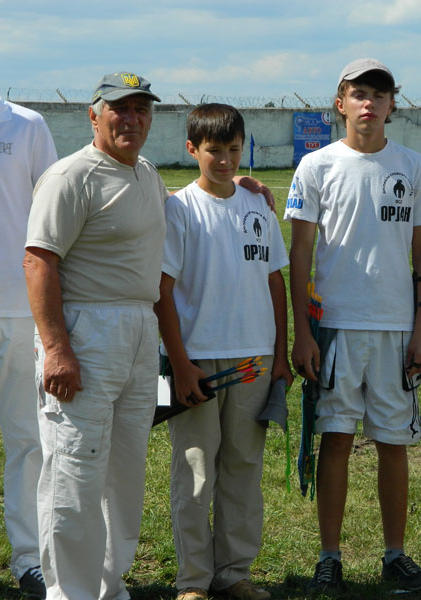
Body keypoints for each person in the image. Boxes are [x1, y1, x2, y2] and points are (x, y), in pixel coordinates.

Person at [284, 58, 421, 594]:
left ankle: (395, 553)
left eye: (379, 93)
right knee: (337, 438)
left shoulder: (415, 166)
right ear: (340, 102)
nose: (368, 102)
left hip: (397, 328)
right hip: (337, 327)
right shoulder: (316, 166)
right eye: (357, 93)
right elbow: (299, 255)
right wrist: (303, 332)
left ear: (393, 104)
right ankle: (330, 556)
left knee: (395, 443)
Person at [23, 72, 167, 600]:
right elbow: (38, 261)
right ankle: (71, 592)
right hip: (86, 330)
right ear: (94, 114)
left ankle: (110, 585)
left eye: (141, 109)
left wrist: (242, 182)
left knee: (124, 471)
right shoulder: (71, 176)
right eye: (119, 109)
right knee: (75, 469)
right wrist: (58, 348)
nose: (131, 119)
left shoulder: (146, 174)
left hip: (138, 329)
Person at [154, 103, 293, 600]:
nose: (226, 161)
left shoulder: (258, 204)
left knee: (242, 470)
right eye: (215, 151)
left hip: (254, 359)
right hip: (198, 361)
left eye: (234, 150)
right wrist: (180, 362)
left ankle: (234, 573)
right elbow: (162, 291)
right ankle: (192, 580)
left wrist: (281, 353)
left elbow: (275, 281)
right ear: (192, 150)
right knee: (195, 470)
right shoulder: (180, 208)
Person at [0, 32, 57, 599]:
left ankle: (30, 558)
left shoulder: (26, 126)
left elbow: (58, 211)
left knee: (29, 442)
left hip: (21, 311)